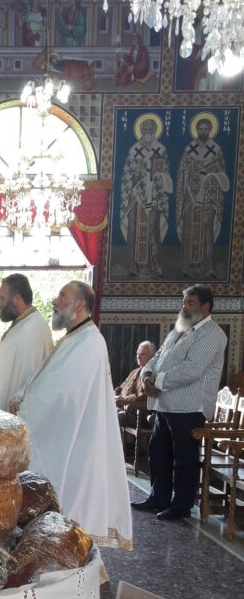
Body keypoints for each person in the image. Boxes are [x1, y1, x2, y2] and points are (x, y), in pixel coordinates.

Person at [11, 281, 132, 550]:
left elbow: (64, 393)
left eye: (62, 296)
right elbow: (44, 376)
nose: (55, 301)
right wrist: (21, 396)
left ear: (80, 305)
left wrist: (27, 408)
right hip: (66, 435)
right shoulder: (75, 337)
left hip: (75, 439)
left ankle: (64, 549)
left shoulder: (90, 342)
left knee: (71, 497)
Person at [133, 285, 227, 521]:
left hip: (189, 407)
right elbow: (157, 356)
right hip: (165, 404)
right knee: (158, 453)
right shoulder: (180, 328)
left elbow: (191, 370)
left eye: (190, 303)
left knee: (184, 458)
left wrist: (157, 382)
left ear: (206, 307)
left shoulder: (213, 334)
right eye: (184, 302)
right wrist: (146, 376)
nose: (184, 307)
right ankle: (159, 497)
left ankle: (181, 505)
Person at [0, 273, 53, 412]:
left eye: (1, 298)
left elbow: (25, 380)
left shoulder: (34, 330)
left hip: (7, 417)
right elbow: (11, 363)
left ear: (17, 299)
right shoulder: (24, 323)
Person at [175, 115, 230, 279]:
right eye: (201, 128)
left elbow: (222, 173)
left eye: (206, 128)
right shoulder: (189, 149)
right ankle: (187, 268)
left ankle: (209, 267)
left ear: (210, 130)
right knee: (190, 231)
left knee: (207, 231)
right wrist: (190, 180)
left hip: (209, 197)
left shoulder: (216, 149)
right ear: (196, 130)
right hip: (191, 197)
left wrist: (212, 173)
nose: (203, 131)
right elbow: (182, 172)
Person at [120, 115, 173, 278]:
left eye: (151, 129)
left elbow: (166, 175)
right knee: (135, 232)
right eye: (145, 129)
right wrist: (135, 174)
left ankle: (154, 266)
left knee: (153, 232)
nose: (148, 132)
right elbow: (126, 176)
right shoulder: (134, 150)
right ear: (141, 131)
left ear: (155, 131)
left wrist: (159, 175)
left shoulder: (161, 150)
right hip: (137, 198)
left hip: (154, 197)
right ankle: (134, 266)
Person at [114, 340, 156, 427]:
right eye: (137, 354)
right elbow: (121, 388)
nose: (138, 357)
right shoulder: (134, 371)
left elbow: (145, 397)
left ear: (152, 357)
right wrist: (115, 394)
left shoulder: (153, 374)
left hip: (139, 415)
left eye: (142, 354)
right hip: (122, 409)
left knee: (111, 418)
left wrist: (123, 400)